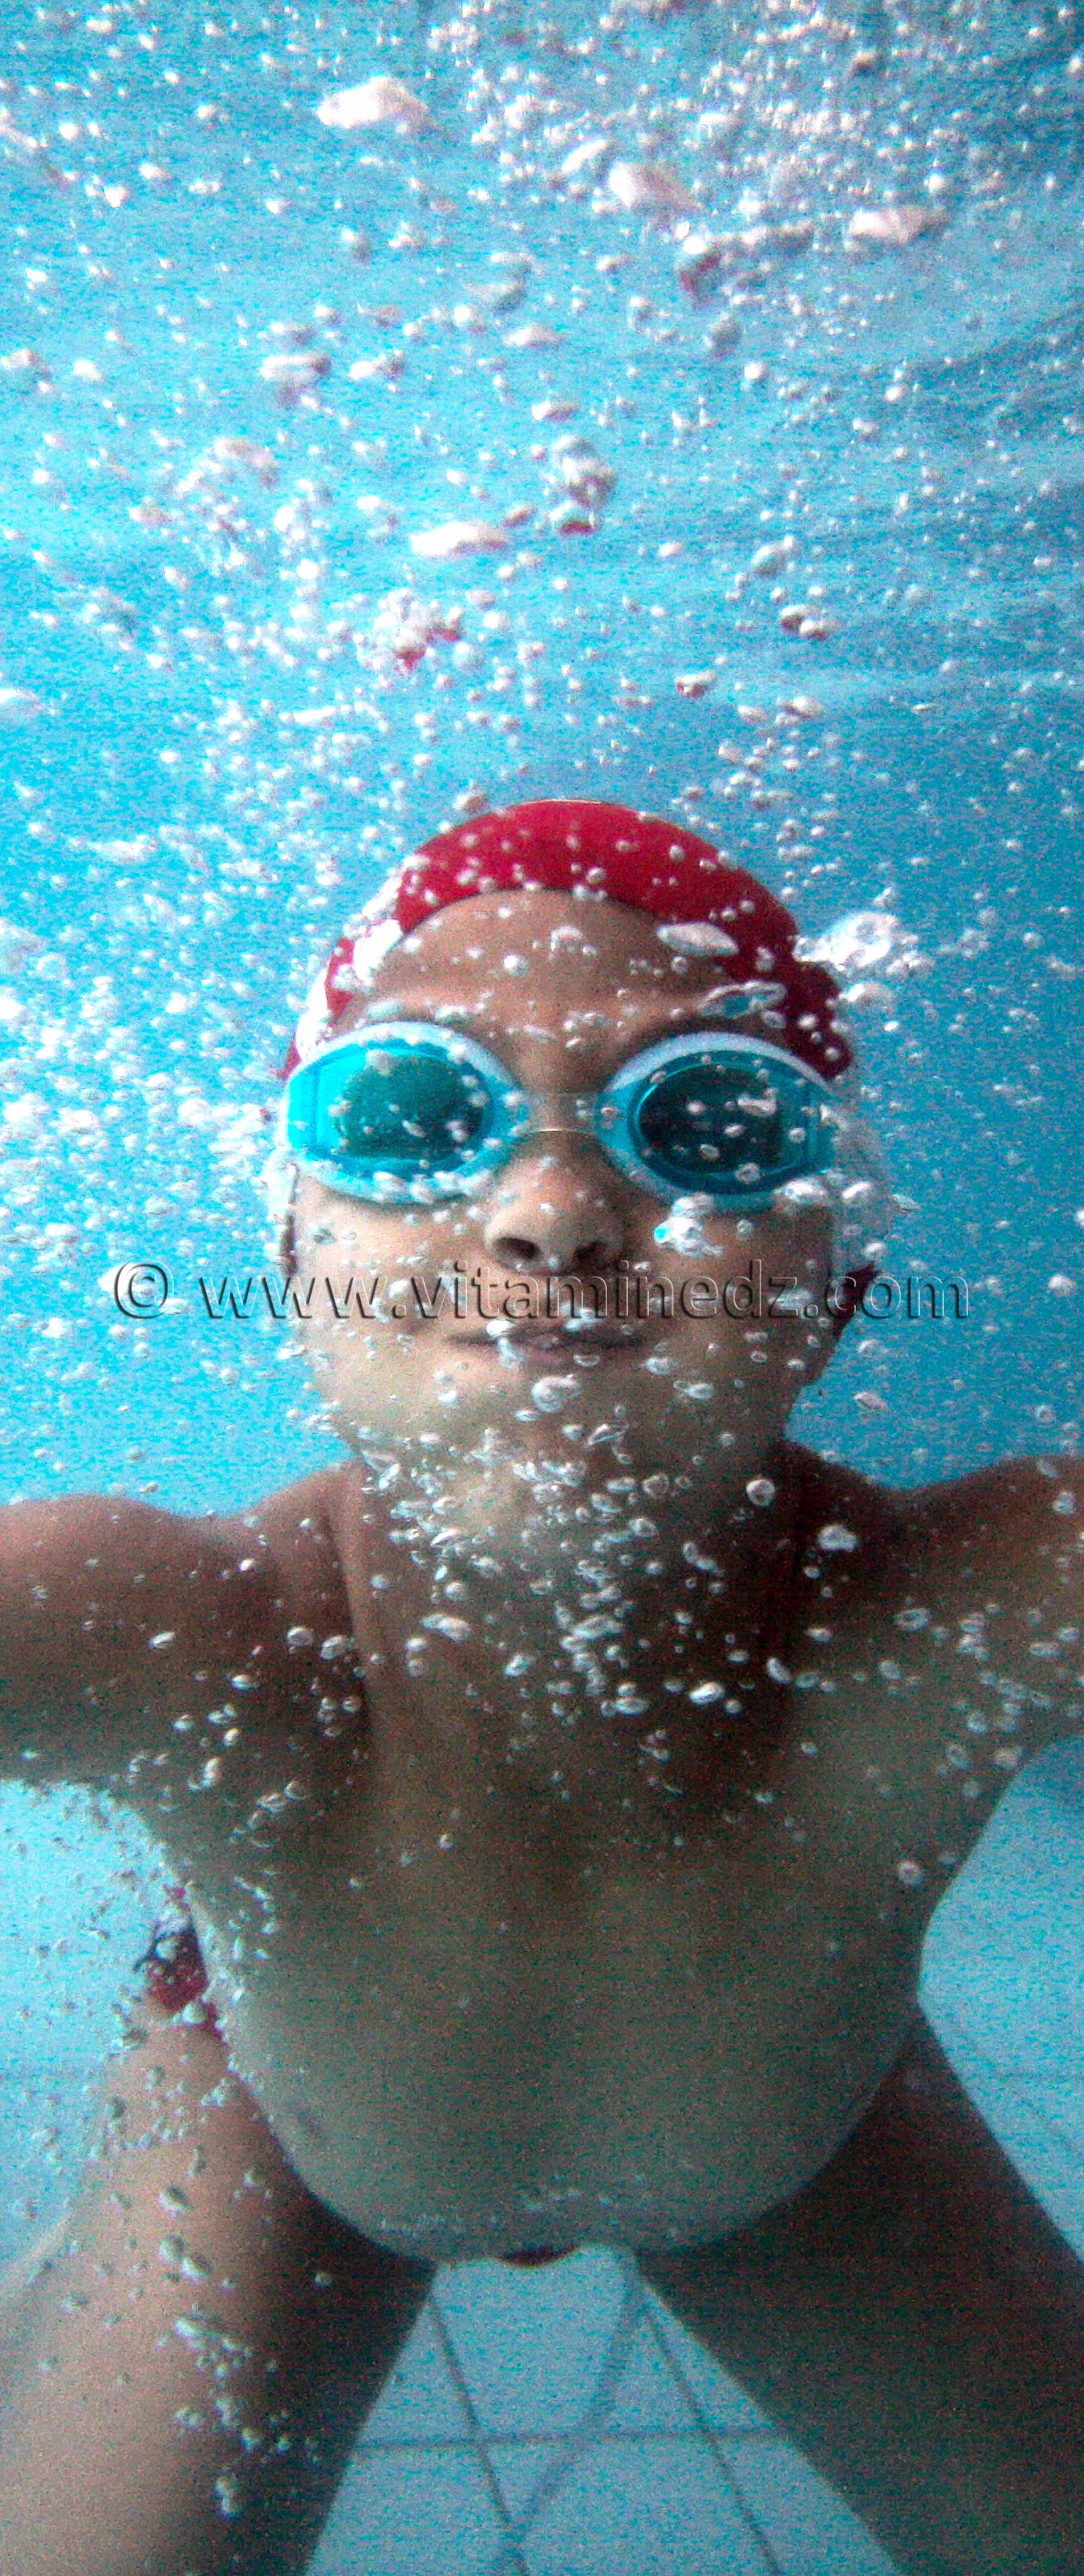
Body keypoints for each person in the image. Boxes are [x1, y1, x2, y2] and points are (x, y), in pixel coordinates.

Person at [0, 798, 1081, 2576]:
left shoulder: (958, 1613)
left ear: (836, 1285)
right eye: (417, 1119)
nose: (556, 1213)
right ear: (293, 1260)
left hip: (782, 2117)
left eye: (713, 1127)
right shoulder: (198, 1636)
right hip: (286, 2106)